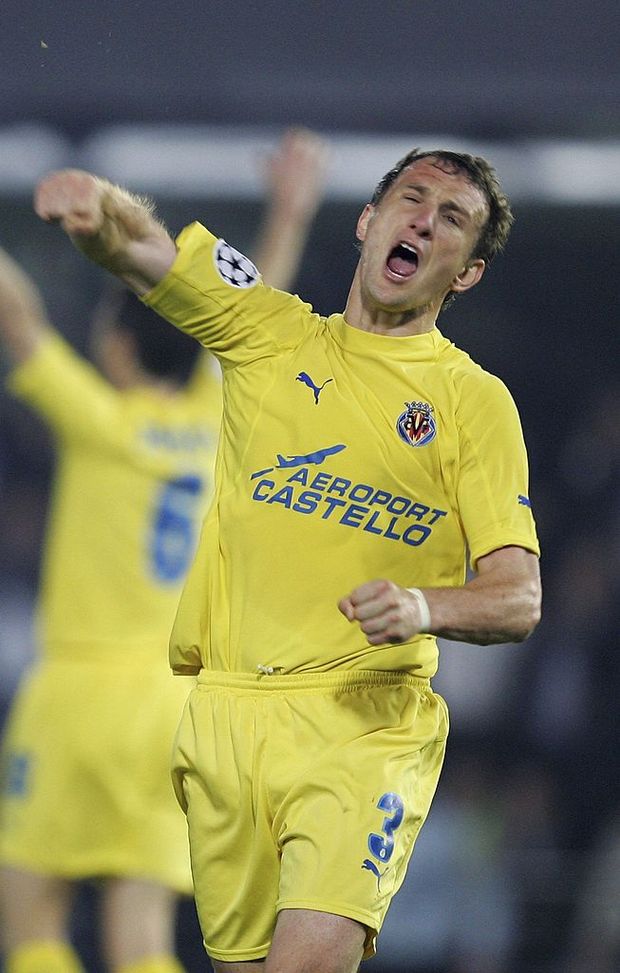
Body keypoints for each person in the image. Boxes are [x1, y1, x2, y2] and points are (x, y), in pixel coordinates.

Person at [32, 145, 542, 973]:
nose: (424, 219)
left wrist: (423, 607)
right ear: (368, 222)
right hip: (225, 716)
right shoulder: (269, 330)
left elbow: (517, 596)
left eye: (452, 219)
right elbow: (147, 250)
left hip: (361, 718)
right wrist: (99, 212)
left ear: (467, 274)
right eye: (411, 199)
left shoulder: (472, 403)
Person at [0, 127, 328, 973]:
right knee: (141, 931)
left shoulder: (102, 425)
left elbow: (18, 318)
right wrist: (290, 209)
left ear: (113, 349)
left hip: (76, 690)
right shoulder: (214, 420)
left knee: (30, 913)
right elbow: (254, 309)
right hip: (174, 707)